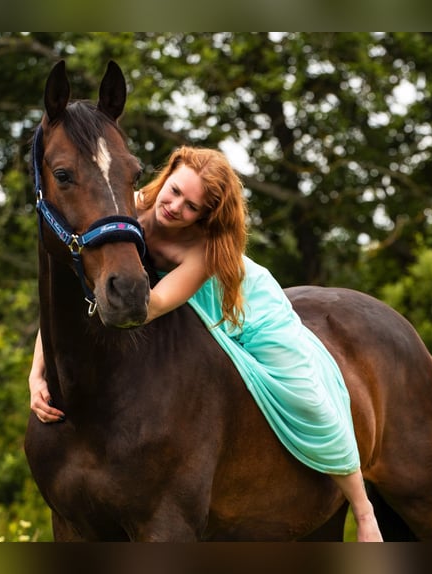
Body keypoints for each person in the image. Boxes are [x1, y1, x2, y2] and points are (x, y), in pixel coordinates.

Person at [28, 145, 383, 542]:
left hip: (243, 309)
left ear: (205, 215)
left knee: (307, 395)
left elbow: (154, 304)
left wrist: (112, 297)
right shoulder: (134, 203)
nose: (176, 206)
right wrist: (36, 371)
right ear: (168, 175)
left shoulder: (204, 249)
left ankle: (362, 507)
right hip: (161, 298)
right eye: (175, 191)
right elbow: (74, 298)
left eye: (192, 206)